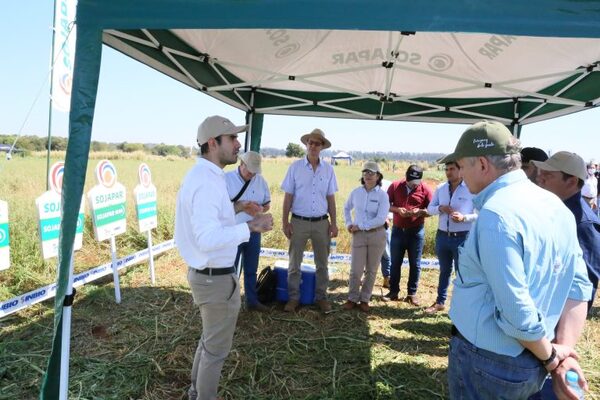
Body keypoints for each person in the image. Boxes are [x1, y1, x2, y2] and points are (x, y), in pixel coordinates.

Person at [442, 120, 592, 400]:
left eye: (462, 166)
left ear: (483, 165)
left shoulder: (497, 215)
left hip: (489, 361)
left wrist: (552, 358)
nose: (460, 175)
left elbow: (516, 312)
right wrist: (563, 351)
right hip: (529, 359)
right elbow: (578, 286)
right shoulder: (554, 206)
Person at [175, 115, 273, 400]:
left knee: (210, 342)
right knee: (216, 351)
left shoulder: (207, 176)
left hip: (212, 276)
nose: (238, 144)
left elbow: (212, 220)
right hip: (213, 279)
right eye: (231, 138)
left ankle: (195, 392)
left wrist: (237, 206)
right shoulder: (207, 182)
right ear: (212, 143)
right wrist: (250, 226)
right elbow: (207, 238)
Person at [534, 151, 600, 314]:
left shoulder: (583, 223)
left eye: (548, 175)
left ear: (571, 182)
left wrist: (568, 322)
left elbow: (587, 280)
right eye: (540, 173)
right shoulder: (552, 208)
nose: (539, 178)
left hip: (556, 312)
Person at [281, 128, 338, 313]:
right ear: (306, 144)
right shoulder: (295, 168)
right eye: (310, 142)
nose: (313, 146)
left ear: (322, 147)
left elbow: (331, 199)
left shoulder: (329, 170)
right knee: (294, 263)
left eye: (317, 143)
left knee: (322, 264)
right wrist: (285, 222)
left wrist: (334, 223)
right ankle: (293, 298)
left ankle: (321, 298)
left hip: (322, 223)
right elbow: (288, 197)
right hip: (298, 221)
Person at [424, 161, 477, 314]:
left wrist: (464, 217)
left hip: (462, 237)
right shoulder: (440, 188)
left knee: (462, 273)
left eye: (452, 169)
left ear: (461, 170)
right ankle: (440, 302)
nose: (448, 172)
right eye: (446, 169)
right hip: (442, 236)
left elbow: (479, 214)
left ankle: (462, 307)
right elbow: (429, 209)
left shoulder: (470, 189)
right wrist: (440, 208)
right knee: (444, 270)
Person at [226, 151, 271, 312]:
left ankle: (252, 301)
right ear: (241, 164)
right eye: (249, 169)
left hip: (254, 231)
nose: (251, 174)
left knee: (251, 268)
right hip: (233, 232)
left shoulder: (261, 181)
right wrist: (241, 206)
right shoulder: (226, 179)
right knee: (231, 270)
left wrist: (260, 208)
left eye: (254, 171)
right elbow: (220, 210)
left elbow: (267, 204)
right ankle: (230, 303)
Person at [343, 161, 390, 312]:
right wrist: (349, 223)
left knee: (371, 269)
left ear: (378, 176)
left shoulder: (383, 196)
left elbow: (381, 218)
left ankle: (365, 299)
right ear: (362, 175)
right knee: (356, 270)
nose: (368, 175)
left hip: (377, 235)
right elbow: (346, 208)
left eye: (372, 173)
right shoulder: (356, 192)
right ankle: (352, 298)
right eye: (365, 173)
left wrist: (361, 226)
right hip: (358, 235)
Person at [383, 164, 432, 305]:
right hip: (398, 231)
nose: (412, 184)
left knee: (415, 264)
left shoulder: (426, 190)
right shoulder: (395, 185)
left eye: (415, 182)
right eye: (410, 181)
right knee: (395, 263)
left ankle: (412, 293)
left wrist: (420, 212)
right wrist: (397, 210)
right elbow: (386, 204)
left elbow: (432, 210)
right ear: (406, 176)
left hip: (416, 232)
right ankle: (393, 292)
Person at [379, 178, 393, 288]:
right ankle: (364, 277)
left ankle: (387, 278)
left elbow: (391, 204)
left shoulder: (389, 185)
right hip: (368, 226)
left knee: (386, 253)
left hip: (383, 225)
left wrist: (387, 217)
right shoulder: (365, 186)